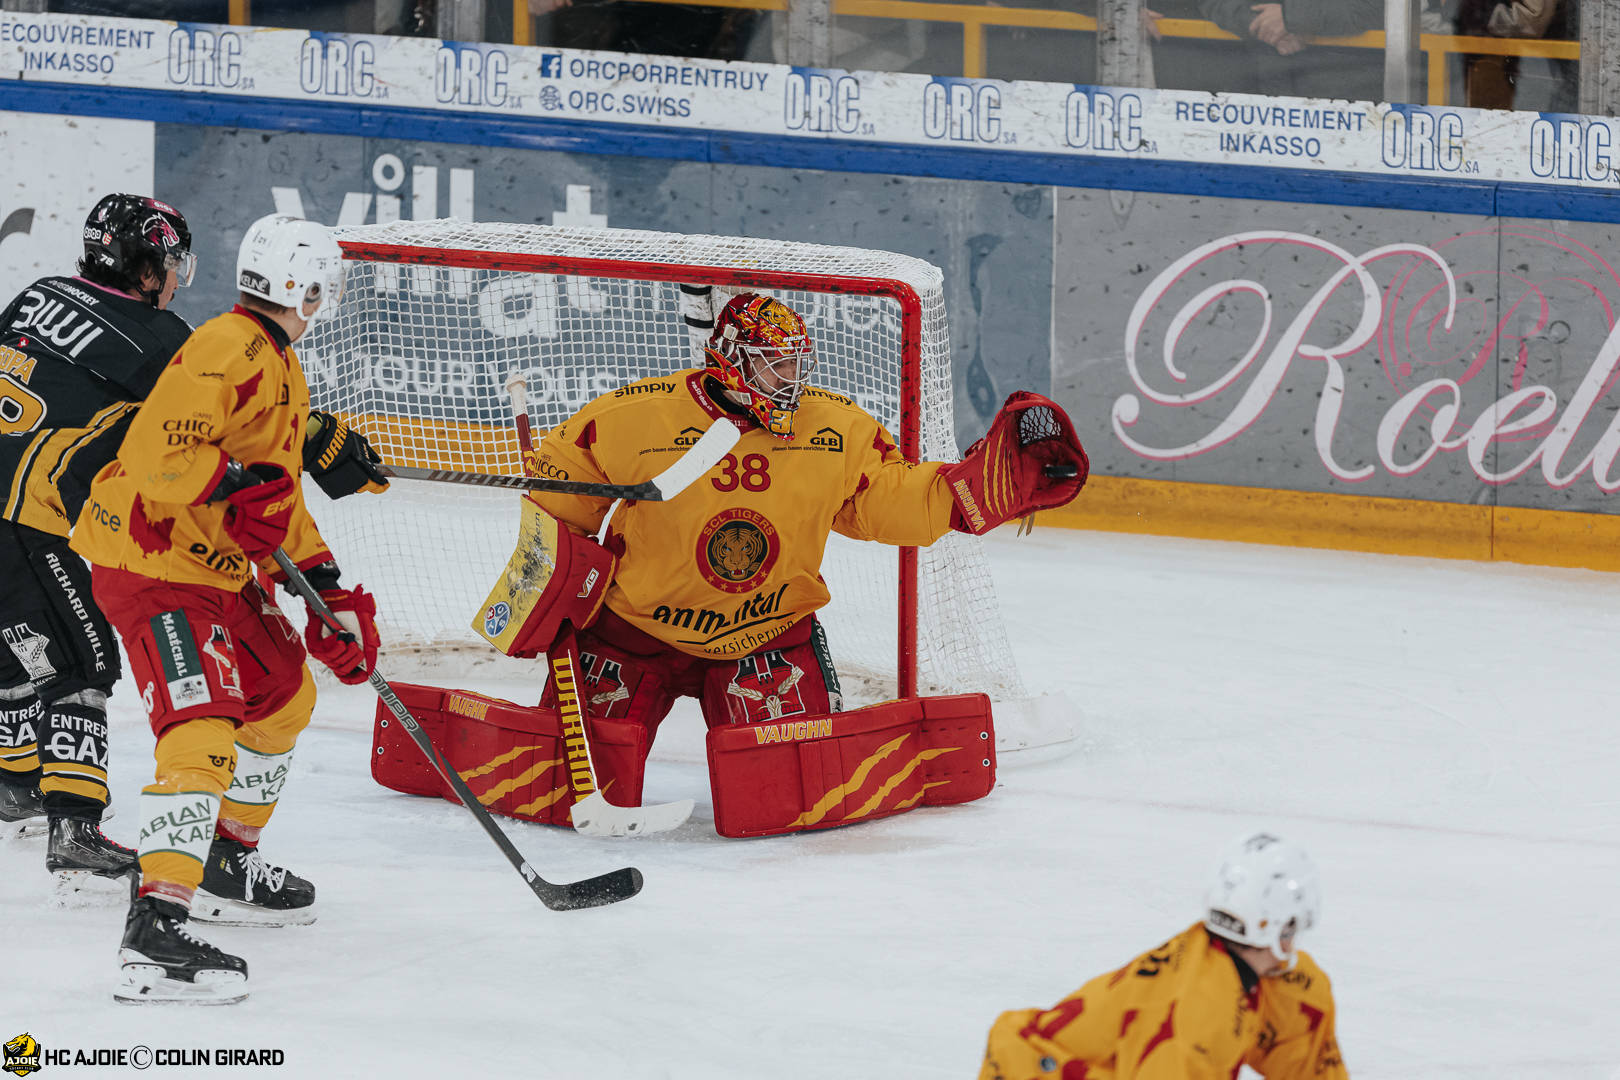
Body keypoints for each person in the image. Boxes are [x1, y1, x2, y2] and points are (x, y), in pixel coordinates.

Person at [494, 292, 1086, 829]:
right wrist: (543, 590)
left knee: (788, 802)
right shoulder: (630, 418)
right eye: (773, 365)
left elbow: (888, 500)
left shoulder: (836, 428)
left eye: (797, 365)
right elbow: (556, 511)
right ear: (731, 361)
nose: (790, 381)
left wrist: (968, 494)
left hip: (765, 637)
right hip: (633, 631)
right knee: (562, 792)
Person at [70, 213, 383, 1005]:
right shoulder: (225, 347)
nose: (328, 299)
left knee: (284, 695)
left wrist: (328, 592)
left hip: (210, 568)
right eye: (324, 287)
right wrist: (231, 483)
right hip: (153, 565)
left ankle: (224, 856)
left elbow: (277, 499)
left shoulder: (278, 362)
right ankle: (155, 929)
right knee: (202, 729)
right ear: (304, 289)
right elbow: (155, 455)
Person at [0, 195, 196, 892]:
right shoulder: (162, 337)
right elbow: (212, 415)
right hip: (19, 516)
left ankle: (15, 782)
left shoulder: (37, 293)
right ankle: (75, 829)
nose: (174, 279)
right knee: (83, 660)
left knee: (20, 648)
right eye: (170, 264)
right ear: (144, 267)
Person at [979, 833, 1348, 1079]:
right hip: (1029, 1071)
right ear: (1280, 927)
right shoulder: (1199, 1017)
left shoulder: (1242, 974)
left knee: (1302, 995)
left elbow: (1304, 1048)